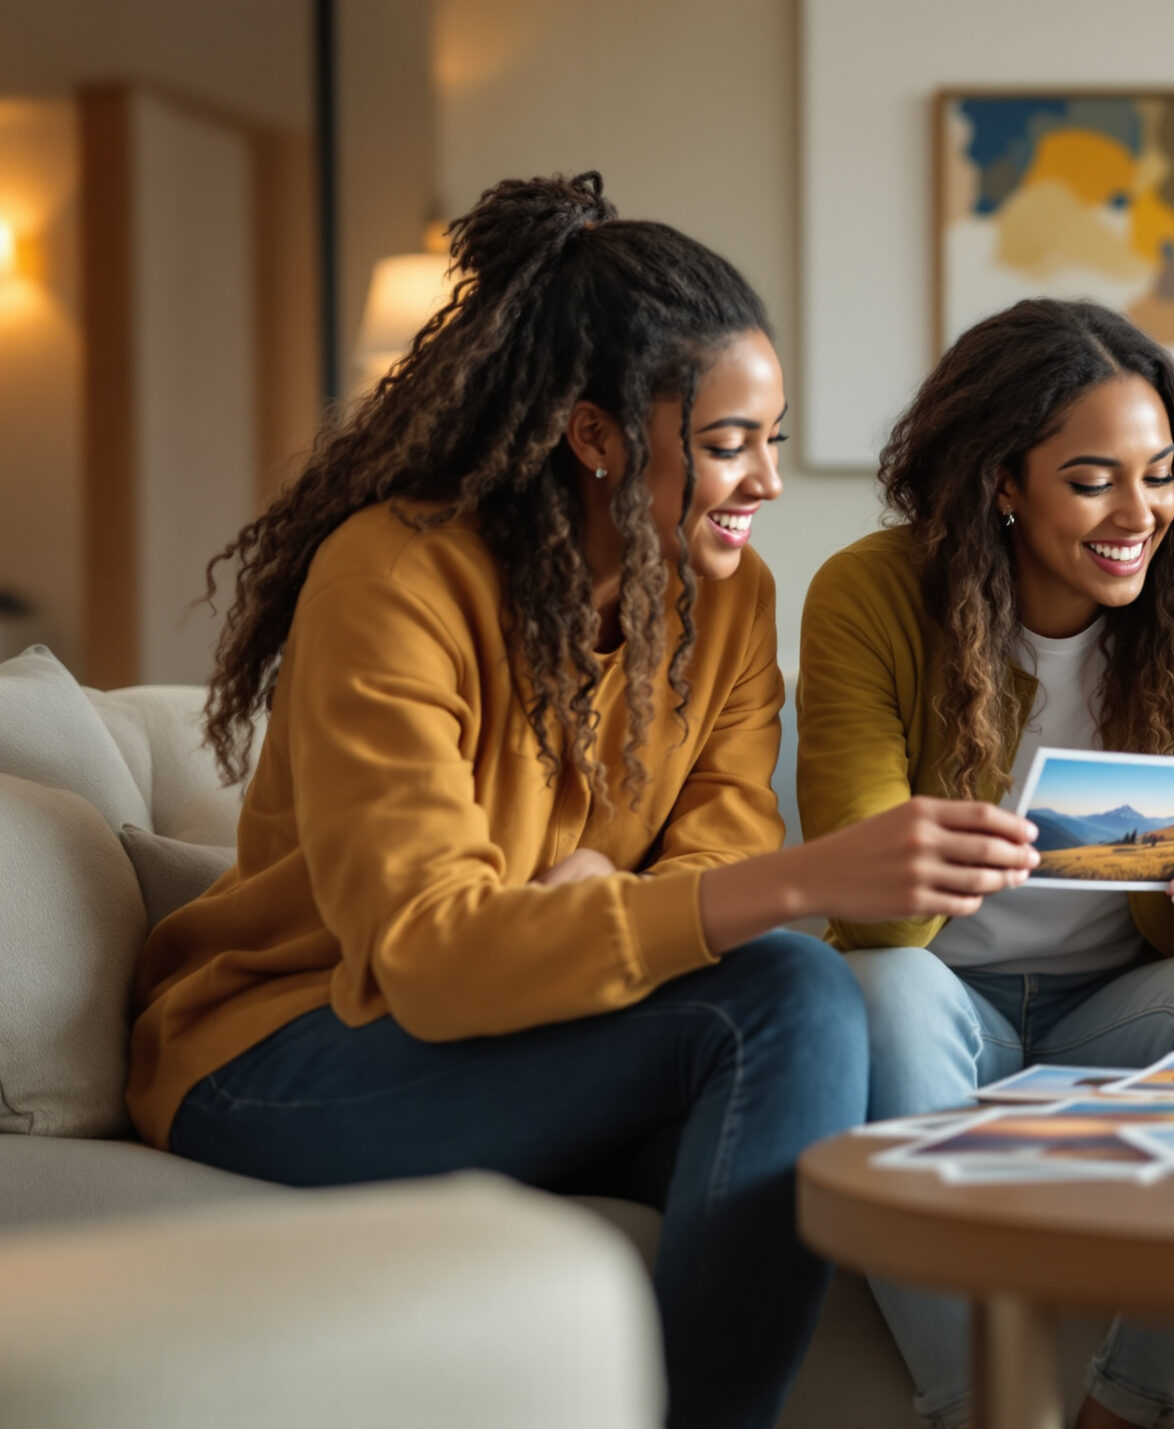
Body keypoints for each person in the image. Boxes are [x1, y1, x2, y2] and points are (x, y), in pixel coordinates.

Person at [127, 173, 1027, 1429]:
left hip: (541, 1029)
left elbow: (710, 847)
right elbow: (433, 958)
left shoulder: (730, 600)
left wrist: (616, 908)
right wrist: (809, 879)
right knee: (791, 990)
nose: (766, 480)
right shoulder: (397, 576)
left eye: (771, 438)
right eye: (726, 445)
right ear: (595, 436)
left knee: (814, 1075)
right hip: (290, 1050)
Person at [796, 298, 1174, 1429]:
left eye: (1162, 473)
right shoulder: (869, 592)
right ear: (1000, 481)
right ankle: (991, 1407)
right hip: (944, 1000)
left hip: (1116, 1007)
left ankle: (1123, 1402)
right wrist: (970, 834)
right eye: (1093, 481)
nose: (1141, 514)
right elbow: (870, 913)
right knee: (875, 990)